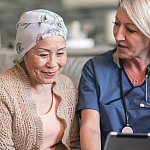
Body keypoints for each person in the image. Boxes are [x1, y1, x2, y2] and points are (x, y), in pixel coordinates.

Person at [0, 9, 80, 150]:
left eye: (60, 53)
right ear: (25, 53)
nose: (53, 64)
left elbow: (73, 142)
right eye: (43, 55)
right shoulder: (4, 90)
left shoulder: (66, 86)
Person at [77, 0, 150, 149]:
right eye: (116, 24)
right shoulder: (95, 69)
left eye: (130, 30)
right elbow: (90, 128)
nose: (118, 36)